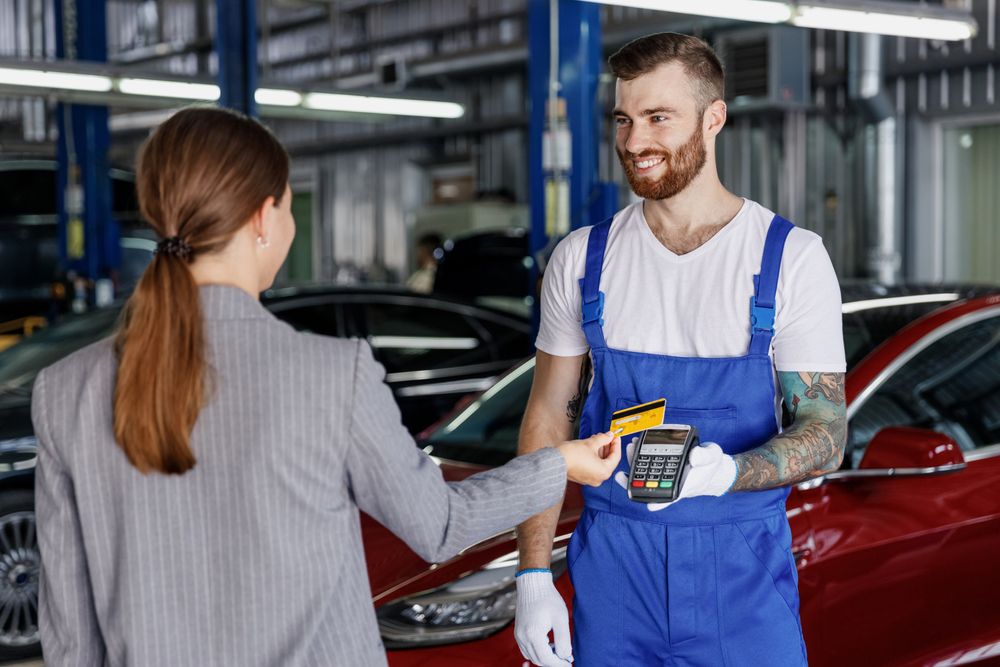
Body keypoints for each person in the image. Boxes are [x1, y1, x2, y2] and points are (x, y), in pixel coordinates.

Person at [32, 107, 622, 666]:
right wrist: (559, 463)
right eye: (287, 206)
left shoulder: (63, 391)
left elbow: (70, 638)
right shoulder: (330, 375)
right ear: (264, 218)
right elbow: (441, 526)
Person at [513, 33, 847, 667]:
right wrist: (532, 573)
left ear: (714, 117)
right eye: (624, 119)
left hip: (741, 576)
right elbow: (547, 416)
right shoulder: (582, 259)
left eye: (658, 118)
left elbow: (827, 432)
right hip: (613, 575)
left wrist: (728, 472)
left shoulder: (790, 260)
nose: (635, 141)